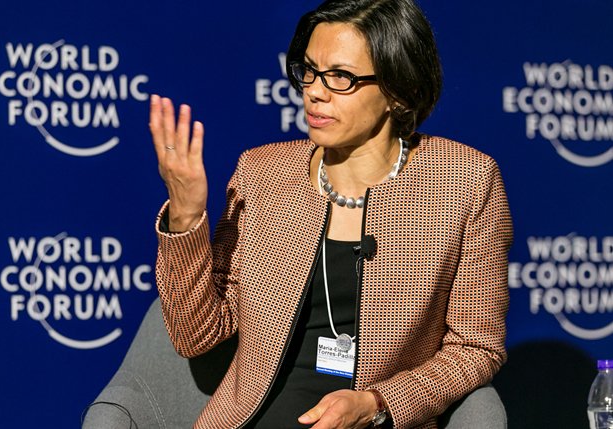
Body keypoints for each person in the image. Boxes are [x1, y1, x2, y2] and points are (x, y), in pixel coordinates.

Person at [149, 0, 513, 427]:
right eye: (309, 71)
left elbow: (476, 348)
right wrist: (185, 216)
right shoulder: (261, 173)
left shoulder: (465, 182)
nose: (315, 91)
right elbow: (195, 336)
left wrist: (378, 403)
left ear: (398, 91)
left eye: (341, 76)